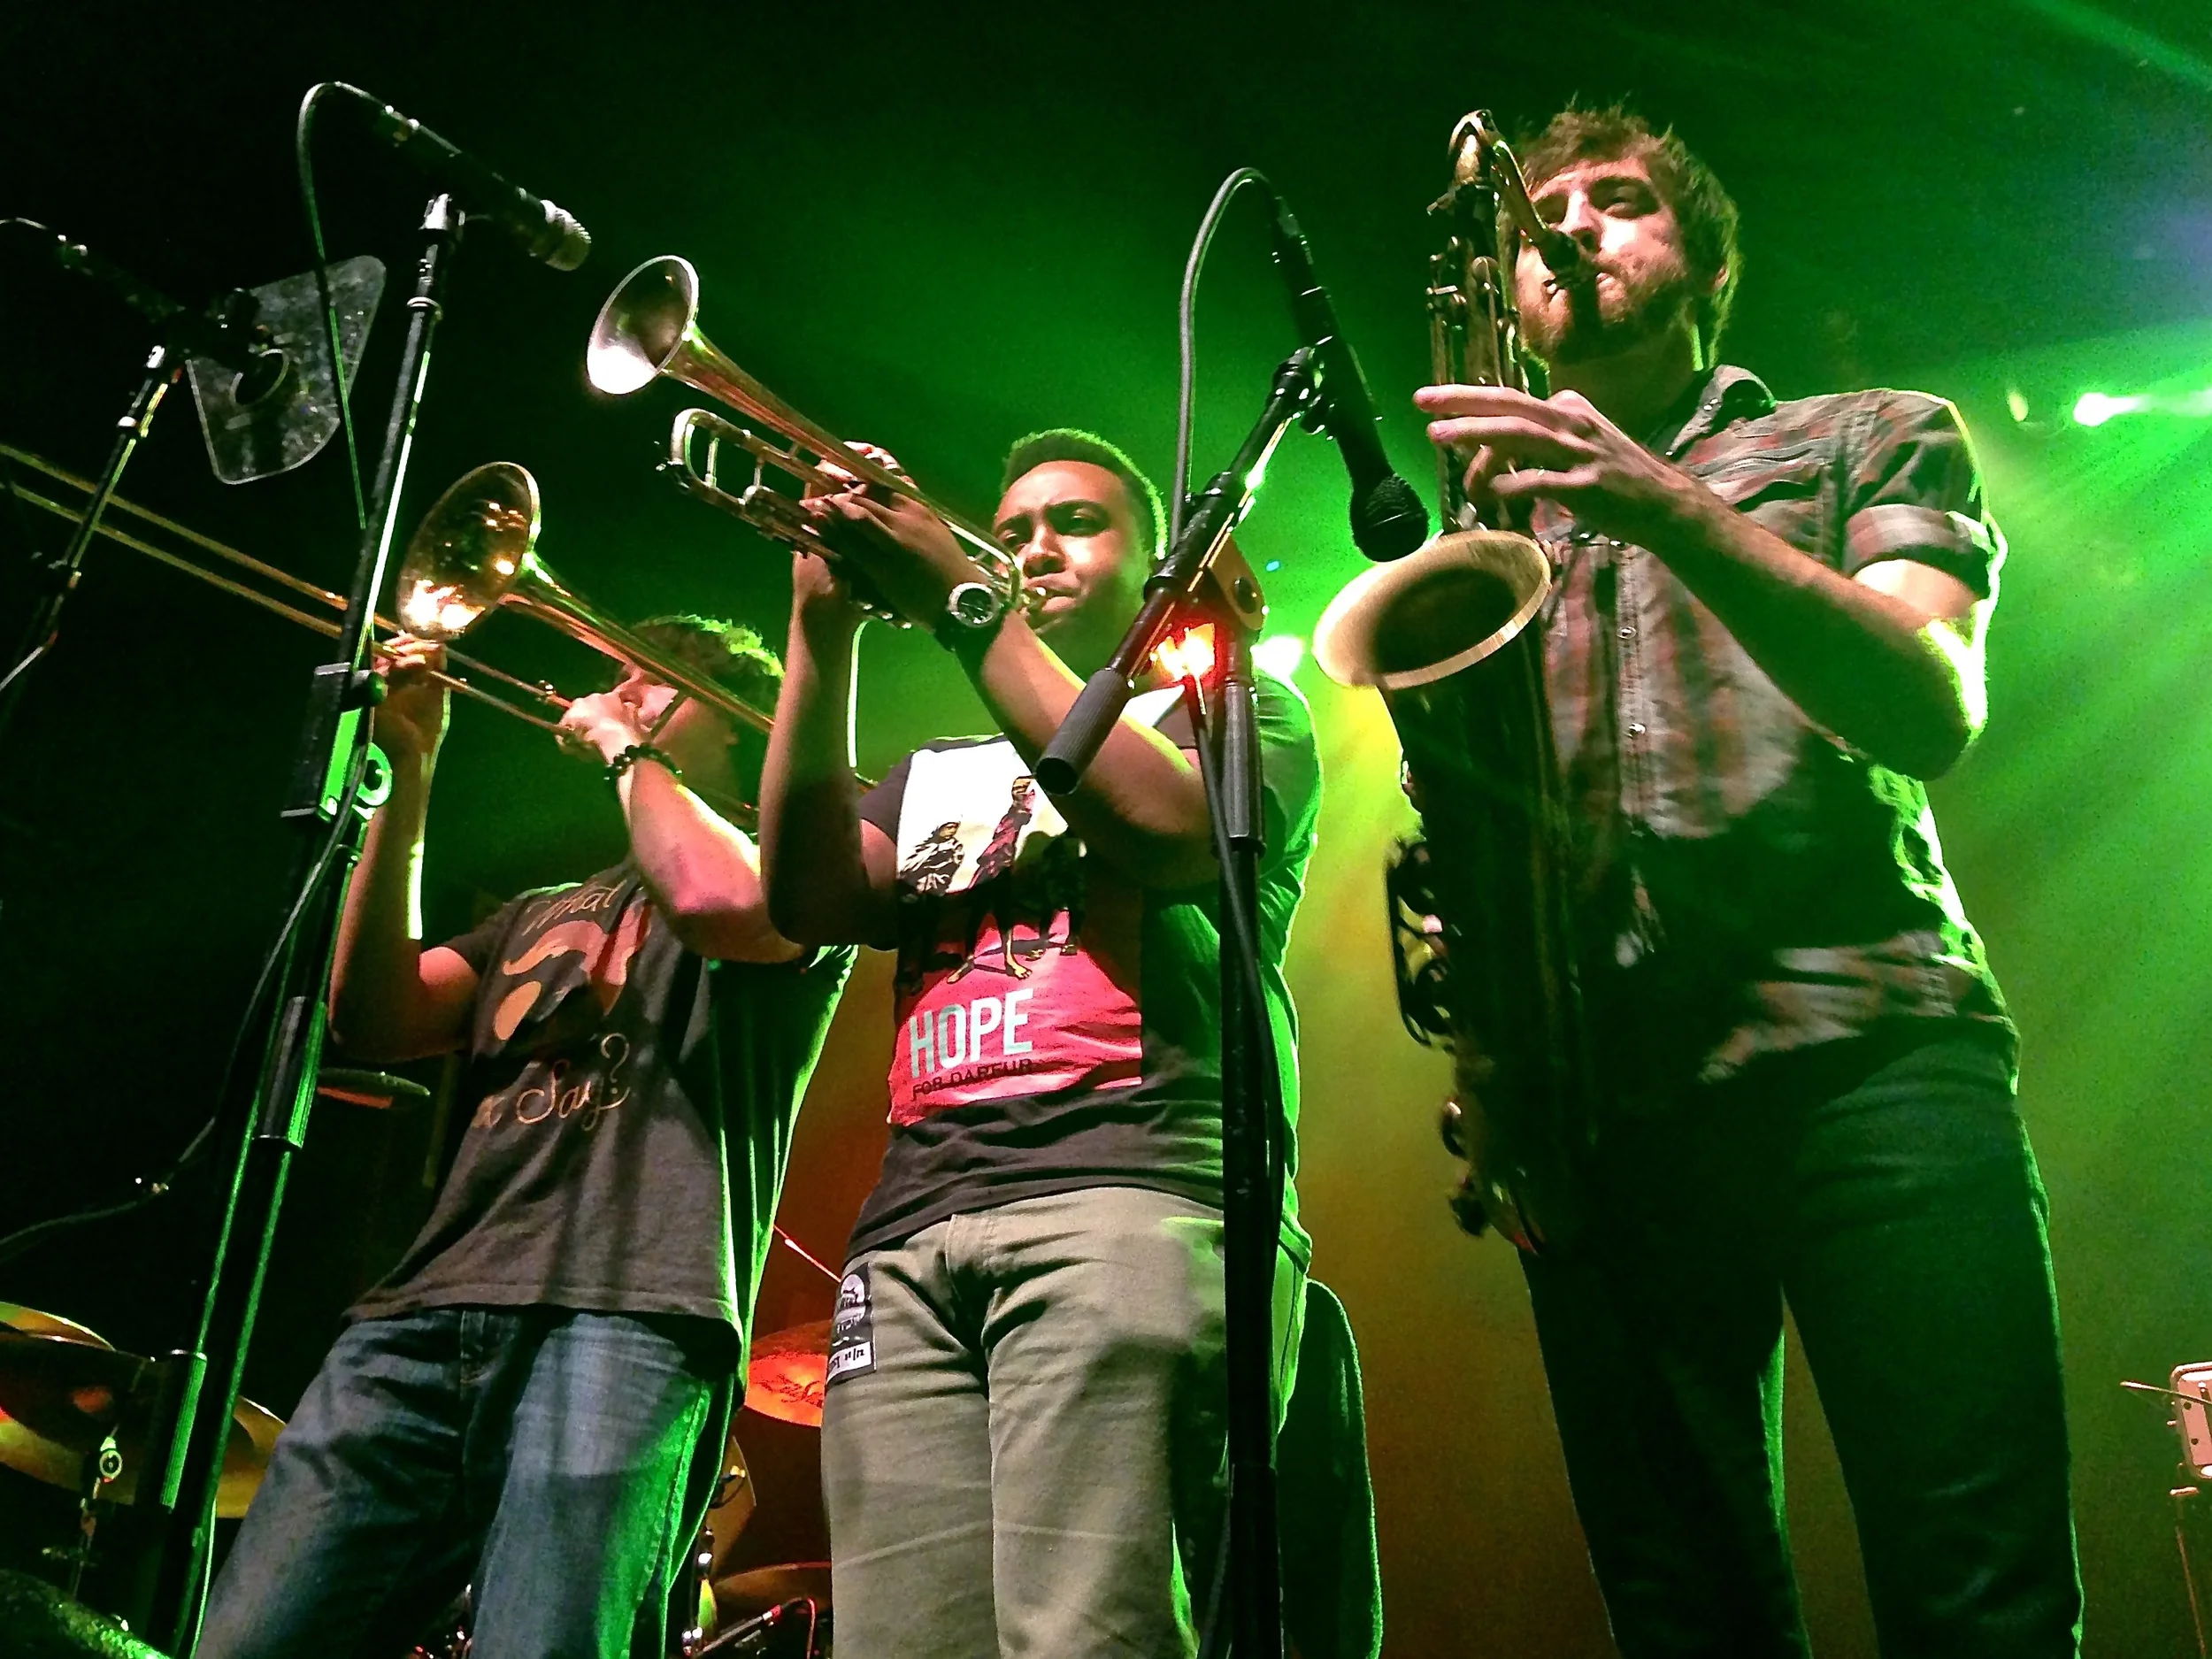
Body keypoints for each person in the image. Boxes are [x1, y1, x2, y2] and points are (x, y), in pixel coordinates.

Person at [1413, 106, 2081, 1655]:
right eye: (1544, 217)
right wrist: (1500, 1064)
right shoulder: (1489, 527)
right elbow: (1482, 836)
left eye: (1621, 201)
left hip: (1872, 1052)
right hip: (1607, 1108)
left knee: (1976, 1591)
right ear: (1505, 296)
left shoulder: (1866, 432)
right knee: (1682, 1616)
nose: (1573, 226)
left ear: (1702, 264)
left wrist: (1657, 501)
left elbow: (1928, 706)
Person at [757, 430, 1322, 1656]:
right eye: (1011, 532)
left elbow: (1171, 832)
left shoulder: (1235, 704)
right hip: (909, 1233)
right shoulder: (938, 770)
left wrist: (962, 606)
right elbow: (802, 897)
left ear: (1159, 565)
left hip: (1128, 1196)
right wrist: (823, 625)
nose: (1030, 549)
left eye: (1075, 522)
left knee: (1090, 1636)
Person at [198, 618, 854, 1659]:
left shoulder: (804, 872)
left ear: (740, 728)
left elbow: (712, 899)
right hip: (422, 1312)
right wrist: (408, 776)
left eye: (656, 684)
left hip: (630, 1315)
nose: (624, 693)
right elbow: (377, 1016)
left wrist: (618, 745)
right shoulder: (543, 907)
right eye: (621, 678)